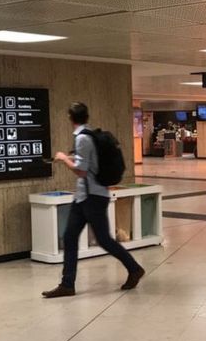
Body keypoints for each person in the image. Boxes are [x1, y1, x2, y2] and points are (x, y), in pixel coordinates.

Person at [42, 102, 145, 298]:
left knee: (104, 239)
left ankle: (134, 269)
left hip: (92, 197)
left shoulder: (83, 139)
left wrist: (64, 159)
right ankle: (67, 284)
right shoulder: (88, 136)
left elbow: (81, 171)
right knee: (70, 237)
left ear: (70, 118)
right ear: (86, 117)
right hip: (83, 197)